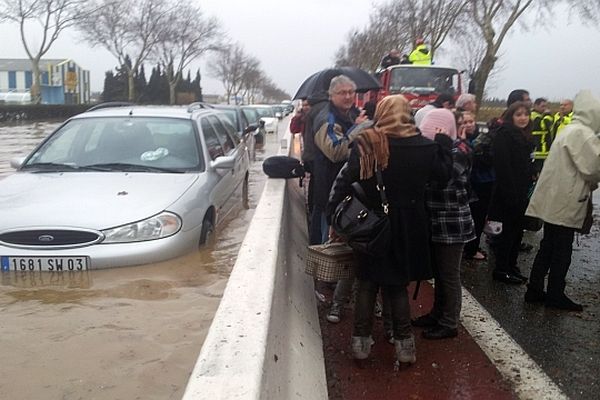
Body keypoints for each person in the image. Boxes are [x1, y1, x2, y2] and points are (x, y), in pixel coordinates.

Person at [326, 95, 452, 363]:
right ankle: (404, 344)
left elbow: (346, 180)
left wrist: (333, 216)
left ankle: (361, 343)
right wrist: (444, 144)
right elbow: (443, 177)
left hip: (370, 224)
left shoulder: (366, 142)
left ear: (381, 113)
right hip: (409, 225)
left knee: (366, 283)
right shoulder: (424, 147)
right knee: (396, 285)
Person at [525, 90, 600, 311]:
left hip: (553, 197)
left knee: (548, 245)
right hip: (566, 199)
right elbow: (593, 168)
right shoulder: (582, 134)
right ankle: (555, 294)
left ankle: (535, 289)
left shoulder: (569, 129)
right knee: (561, 250)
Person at [412, 108, 475, 339]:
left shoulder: (458, 151)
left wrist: (439, 145)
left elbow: (441, 179)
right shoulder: (443, 149)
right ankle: (437, 313)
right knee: (438, 272)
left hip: (452, 224)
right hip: (437, 221)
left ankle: (449, 322)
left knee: (449, 275)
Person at [311, 75, 367, 323]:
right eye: (343, 92)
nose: (348, 96)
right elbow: (335, 152)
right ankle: (327, 283)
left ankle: (339, 283)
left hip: (349, 187)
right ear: (332, 95)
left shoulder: (351, 113)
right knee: (329, 235)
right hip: (330, 187)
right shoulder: (326, 117)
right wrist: (359, 129)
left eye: (351, 92)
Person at [488, 101, 535, 284]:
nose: (523, 118)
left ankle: (511, 265)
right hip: (508, 192)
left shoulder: (524, 136)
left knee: (517, 232)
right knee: (507, 233)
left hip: (522, 190)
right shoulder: (505, 135)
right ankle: (501, 268)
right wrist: (511, 194)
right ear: (511, 116)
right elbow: (503, 167)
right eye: (518, 115)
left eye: (525, 114)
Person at [463, 111, 493, 261]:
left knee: (479, 217)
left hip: (483, 182)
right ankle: (469, 247)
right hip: (470, 183)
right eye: (465, 122)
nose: (469, 125)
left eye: (471, 121)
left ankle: (472, 246)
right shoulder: (462, 141)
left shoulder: (483, 139)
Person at [530, 97, 554, 172]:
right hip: (538, 151)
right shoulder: (533, 115)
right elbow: (543, 126)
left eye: (546, 106)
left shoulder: (541, 116)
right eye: (542, 106)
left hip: (544, 151)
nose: (545, 109)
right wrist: (548, 115)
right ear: (535, 106)